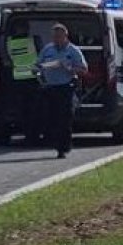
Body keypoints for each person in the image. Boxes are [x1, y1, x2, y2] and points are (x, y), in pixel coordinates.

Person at [36, 23, 88, 158]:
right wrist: (39, 69)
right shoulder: (47, 50)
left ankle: (63, 148)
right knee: (51, 118)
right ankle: (53, 142)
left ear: (65, 36)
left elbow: (84, 70)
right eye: (54, 36)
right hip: (50, 88)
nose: (56, 39)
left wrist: (69, 68)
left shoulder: (73, 51)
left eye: (59, 36)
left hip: (66, 88)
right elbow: (37, 65)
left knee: (64, 119)